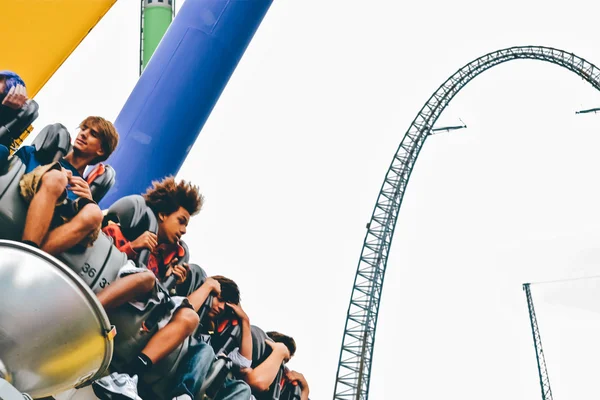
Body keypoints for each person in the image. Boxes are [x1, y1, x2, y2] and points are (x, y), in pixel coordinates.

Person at [16, 116, 118, 255]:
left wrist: (87, 202)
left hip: (55, 229)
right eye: (83, 128)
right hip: (19, 200)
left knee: (95, 213)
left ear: (100, 150)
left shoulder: (82, 190)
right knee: (57, 177)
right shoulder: (34, 154)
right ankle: (26, 252)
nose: (83, 133)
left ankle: (31, 257)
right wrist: (54, 171)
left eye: (93, 134)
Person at [169, 276, 253, 400]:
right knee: (206, 350)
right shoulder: (190, 306)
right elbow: (182, 310)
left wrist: (245, 321)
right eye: (220, 299)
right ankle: (181, 396)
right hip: (176, 358)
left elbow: (244, 363)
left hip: (204, 378)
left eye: (226, 306)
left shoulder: (215, 336)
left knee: (243, 388)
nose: (221, 307)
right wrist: (208, 286)